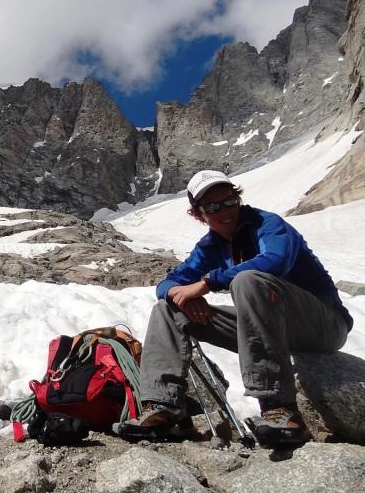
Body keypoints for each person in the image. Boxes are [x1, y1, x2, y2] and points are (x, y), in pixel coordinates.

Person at [117, 170, 353, 447]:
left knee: (249, 280)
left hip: (324, 324)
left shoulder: (267, 224)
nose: (224, 211)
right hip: (271, 328)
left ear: (238, 199)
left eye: (229, 201)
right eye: (212, 207)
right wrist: (180, 295)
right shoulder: (210, 247)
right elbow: (168, 284)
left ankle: (279, 407)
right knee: (168, 310)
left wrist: (207, 283)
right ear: (198, 214)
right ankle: (163, 409)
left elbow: (275, 260)